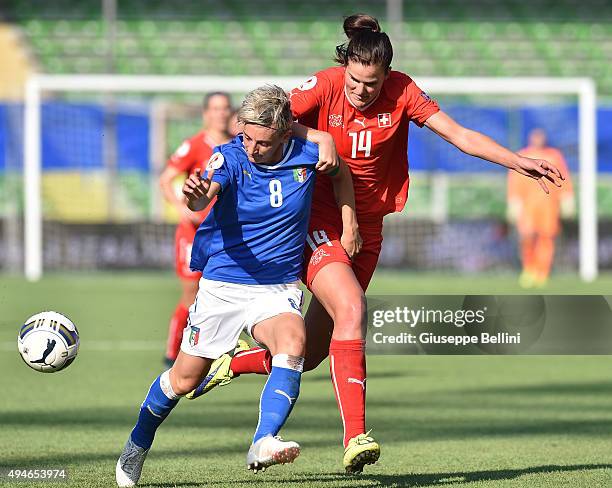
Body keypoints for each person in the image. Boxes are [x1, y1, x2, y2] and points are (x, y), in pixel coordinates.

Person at [188, 14, 565, 474]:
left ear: (386, 76)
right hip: (320, 221)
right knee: (352, 310)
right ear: (344, 65)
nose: (360, 90)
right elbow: (269, 119)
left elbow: (460, 135)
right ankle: (356, 437)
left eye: (371, 83)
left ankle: (232, 363)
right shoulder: (324, 86)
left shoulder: (404, 92)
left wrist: (518, 162)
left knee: (313, 353)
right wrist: (319, 135)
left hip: (369, 228)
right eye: (354, 79)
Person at [115, 85, 358, 487]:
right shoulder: (229, 157)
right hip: (223, 287)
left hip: (276, 288)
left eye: (262, 141)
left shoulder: (308, 154)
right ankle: (137, 444)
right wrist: (194, 197)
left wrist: (349, 224)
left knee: (293, 343)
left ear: (285, 133)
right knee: (184, 380)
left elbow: (340, 173)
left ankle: (264, 440)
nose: (252, 147)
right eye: (246, 136)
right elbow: (203, 194)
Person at [158, 92, 233, 366]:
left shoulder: (238, 147)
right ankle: (171, 353)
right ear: (206, 114)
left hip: (225, 234)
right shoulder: (194, 145)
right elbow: (166, 179)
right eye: (215, 108)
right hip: (194, 234)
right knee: (191, 294)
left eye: (225, 108)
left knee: (226, 293)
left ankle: (215, 350)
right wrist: (181, 209)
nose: (221, 113)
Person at [508, 128, 574, 287]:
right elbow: (514, 181)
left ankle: (542, 272)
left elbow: (563, 178)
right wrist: (514, 201)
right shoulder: (521, 155)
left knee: (546, 237)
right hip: (528, 205)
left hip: (548, 204)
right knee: (527, 236)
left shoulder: (554, 156)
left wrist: (567, 198)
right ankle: (529, 268)